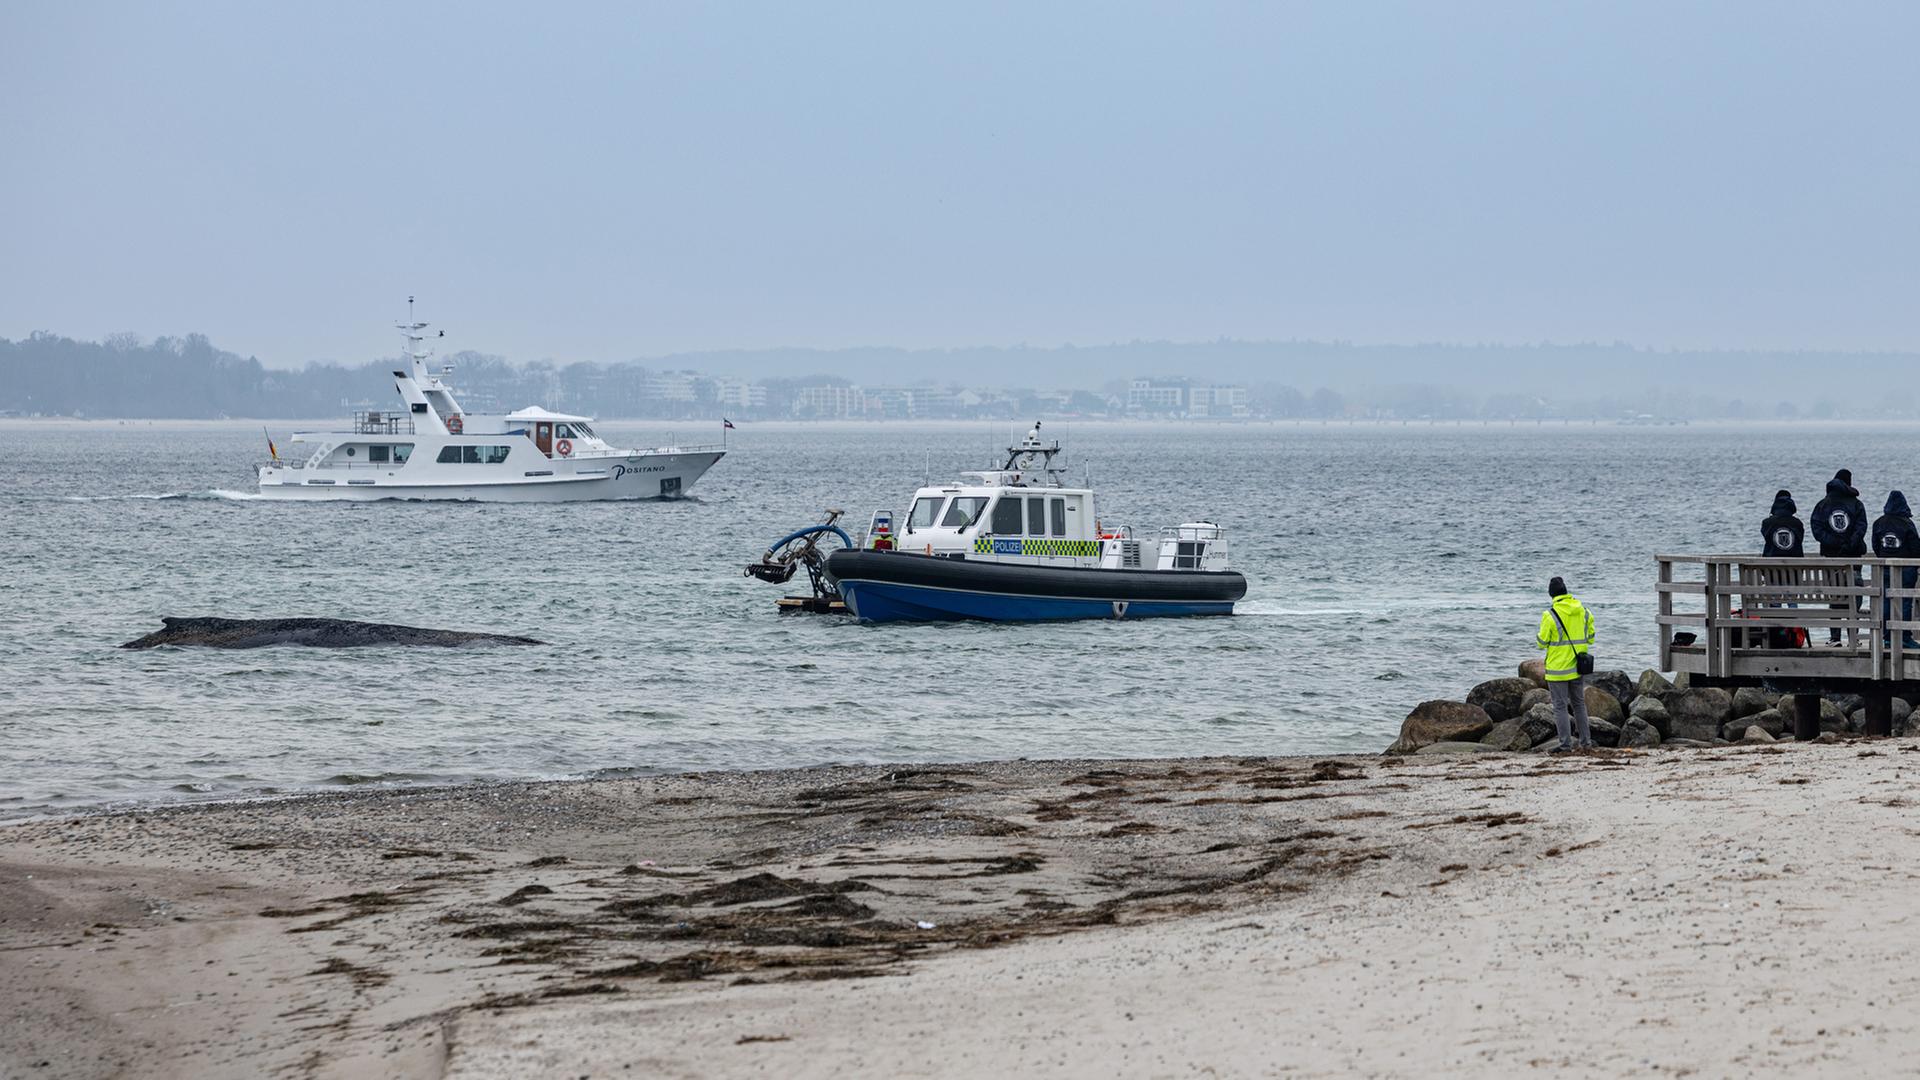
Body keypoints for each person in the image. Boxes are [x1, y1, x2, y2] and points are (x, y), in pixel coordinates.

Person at [1535, 577, 1595, 753]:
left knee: (1560, 707)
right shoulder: (1584, 611)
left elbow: (1542, 642)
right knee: (1579, 704)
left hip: (1557, 669)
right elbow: (1591, 637)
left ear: (1551, 595)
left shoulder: (1550, 615)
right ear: (1566, 591)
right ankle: (1586, 744)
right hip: (1578, 666)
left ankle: (1565, 746)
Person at [1810, 469, 1867, 644]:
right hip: (1854, 558)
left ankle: (1835, 637)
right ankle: (1853, 637)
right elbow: (1861, 526)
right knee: (1855, 597)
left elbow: (1817, 529)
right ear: (1848, 482)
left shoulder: (1822, 505)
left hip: (1831, 559)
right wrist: (1849, 544)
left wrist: (1833, 543)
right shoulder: (1856, 504)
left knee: (1835, 597)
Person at [1872, 491, 1920, 648]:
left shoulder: (1878, 523)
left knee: (1886, 600)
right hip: (1906, 569)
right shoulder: (1907, 524)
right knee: (1905, 601)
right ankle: (1904, 637)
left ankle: (1887, 637)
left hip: (1885, 568)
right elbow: (1916, 549)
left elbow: (1876, 546)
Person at [1761, 490, 1804, 558]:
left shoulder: (1767, 523)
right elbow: (1800, 539)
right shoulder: (1797, 523)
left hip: (1770, 566)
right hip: (1794, 566)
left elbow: (1767, 538)